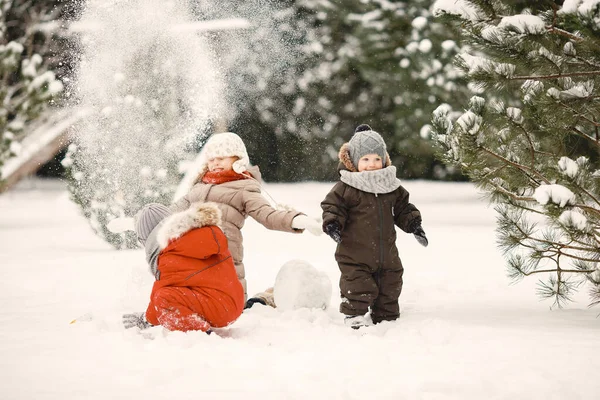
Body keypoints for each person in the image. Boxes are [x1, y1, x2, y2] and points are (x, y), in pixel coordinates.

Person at [170, 132, 321, 307]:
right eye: (211, 159)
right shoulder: (198, 187)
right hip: (194, 255)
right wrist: (143, 222)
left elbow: (267, 215)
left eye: (222, 157)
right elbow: (170, 213)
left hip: (224, 257)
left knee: (224, 302)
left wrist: (296, 219)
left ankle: (261, 300)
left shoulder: (244, 188)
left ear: (238, 159)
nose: (215, 162)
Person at [320, 124, 428, 329]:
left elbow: (403, 208)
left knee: (391, 283)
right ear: (353, 161)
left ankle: (386, 315)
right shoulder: (347, 186)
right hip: (354, 253)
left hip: (387, 253)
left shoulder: (391, 186)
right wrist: (333, 224)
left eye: (377, 159)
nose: (372, 164)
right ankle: (354, 315)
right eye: (366, 159)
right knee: (357, 285)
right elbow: (333, 207)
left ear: (384, 159)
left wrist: (414, 224)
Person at [122, 202, 244, 333]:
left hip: (221, 310)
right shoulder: (198, 234)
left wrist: (147, 319)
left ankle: (200, 333)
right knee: (173, 292)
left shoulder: (168, 256)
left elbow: (160, 294)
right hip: (234, 300)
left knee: (162, 299)